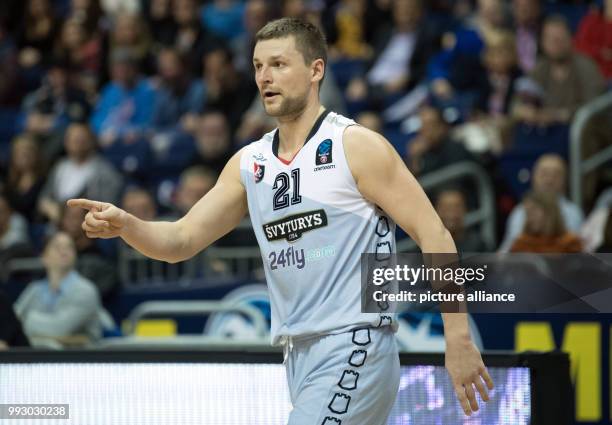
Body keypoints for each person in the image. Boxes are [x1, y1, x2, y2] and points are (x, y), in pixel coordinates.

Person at [69, 18, 492, 422]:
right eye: (257, 66)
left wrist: (457, 338)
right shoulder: (249, 162)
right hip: (297, 353)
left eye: (278, 64)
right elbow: (180, 240)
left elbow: (433, 232)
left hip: (355, 341)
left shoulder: (355, 146)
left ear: (315, 70)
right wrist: (128, 225)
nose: (264, 77)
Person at [14, 231, 102, 347]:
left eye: (69, 247)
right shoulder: (34, 289)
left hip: (79, 361)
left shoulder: (85, 290)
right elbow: (12, 322)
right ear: (44, 257)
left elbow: (60, 328)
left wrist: (28, 319)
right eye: (57, 247)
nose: (64, 251)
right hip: (37, 360)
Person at [499, 154, 583, 252]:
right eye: (544, 174)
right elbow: (506, 252)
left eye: (556, 175)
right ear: (534, 177)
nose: (549, 180)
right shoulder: (519, 211)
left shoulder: (573, 213)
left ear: (564, 179)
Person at [510, 191, 582, 253]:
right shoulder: (521, 245)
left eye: (533, 211)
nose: (530, 218)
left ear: (549, 212)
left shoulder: (570, 244)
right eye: (527, 213)